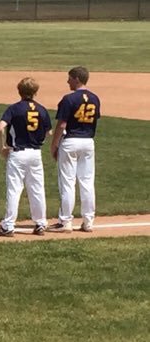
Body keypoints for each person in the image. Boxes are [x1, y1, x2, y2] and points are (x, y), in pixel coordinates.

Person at [0, 78, 52, 237]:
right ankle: (40, 223)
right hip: (35, 153)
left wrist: (2, 148)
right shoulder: (42, 110)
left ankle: (8, 225)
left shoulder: (14, 109)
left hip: (17, 153)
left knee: (14, 190)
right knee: (37, 189)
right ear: (35, 91)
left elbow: (0, 129)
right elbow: (49, 132)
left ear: (19, 91)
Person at [51, 66, 100, 233]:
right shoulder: (95, 98)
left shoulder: (68, 99)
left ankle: (66, 221)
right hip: (88, 142)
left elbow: (62, 124)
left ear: (77, 79)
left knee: (67, 183)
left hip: (70, 141)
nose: (68, 81)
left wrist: (54, 144)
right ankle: (88, 221)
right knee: (87, 182)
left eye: (70, 78)